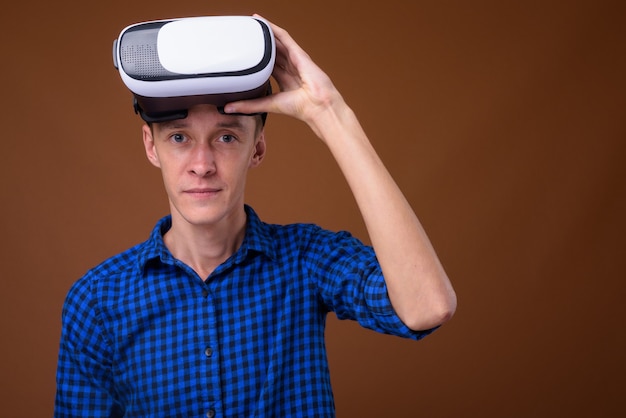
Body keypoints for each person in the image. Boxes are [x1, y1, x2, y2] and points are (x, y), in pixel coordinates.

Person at [55, 15, 456, 417]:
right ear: (152, 146)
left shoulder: (306, 259)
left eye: (226, 137)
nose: (202, 164)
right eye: (180, 138)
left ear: (258, 149)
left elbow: (427, 306)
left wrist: (328, 112)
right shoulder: (97, 301)